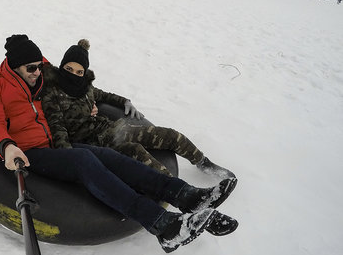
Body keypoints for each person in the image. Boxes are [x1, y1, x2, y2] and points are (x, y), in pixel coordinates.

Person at [0, 34, 238, 253]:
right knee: (84, 161)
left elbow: (71, 68)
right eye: (32, 69)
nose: (38, 73)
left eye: (40, 66)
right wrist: (7, 146)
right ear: (15, 67)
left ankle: (187, 195)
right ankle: (164, 226)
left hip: (57, 143)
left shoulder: (39, 70)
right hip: (30, 153)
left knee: (110, 157)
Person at [41, 39, 235, 178]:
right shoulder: (53, 94)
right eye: (69, 69)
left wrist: (125, 101)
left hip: (111, 129)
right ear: (62, 66)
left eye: (79, 71)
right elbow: (59, 131)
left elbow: (105, 96)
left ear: (84, 73)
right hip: (93, 145)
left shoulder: (86, 88)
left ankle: (204, 163)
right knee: (137, 152)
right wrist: (70, 162)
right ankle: (179, 191)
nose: (73, 75)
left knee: (168, 135)